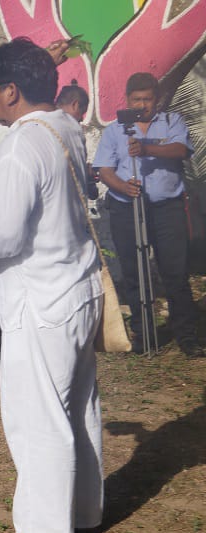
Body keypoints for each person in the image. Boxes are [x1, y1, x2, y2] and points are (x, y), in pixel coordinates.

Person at [0, 37, 104, 533]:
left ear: (10, 91)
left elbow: (3, 235)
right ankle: (82, 515)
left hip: (41, 300)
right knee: (78, 408)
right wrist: (39, 66)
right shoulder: (64, 126)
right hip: (76, 287)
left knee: (39, 422)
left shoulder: (19, 148)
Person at [93, 71, 201, 356]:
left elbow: (181, 150)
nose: (142, 105)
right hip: (126, 208)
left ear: (157, 99)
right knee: (134, 272)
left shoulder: (172, 121)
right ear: (127, 99)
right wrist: (122, 186)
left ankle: (187, 335)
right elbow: (105, 170)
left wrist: (146, 149)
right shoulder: (114, 130)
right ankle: (144, 334)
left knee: (175, 272)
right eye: (136, 100)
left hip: (167, 209)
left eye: (148, 99)